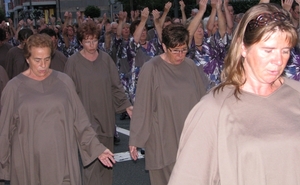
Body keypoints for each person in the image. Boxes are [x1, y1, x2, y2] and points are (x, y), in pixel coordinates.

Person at [168, 2, 299, 184]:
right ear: (243, 47)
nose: (278, 60)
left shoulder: (296, 93)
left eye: (285, 51)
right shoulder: (213, 109)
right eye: (268, 50)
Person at [0, 34, 115, 185]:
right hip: (28, 161)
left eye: (47, 59)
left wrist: (97, 148)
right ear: (27, 58)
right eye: (37, 60)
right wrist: (3, 165)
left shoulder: (64, 81)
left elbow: (80, 121)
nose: (43, 65)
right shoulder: (14, 88)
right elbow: (5, 131)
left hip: (63, 158)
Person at [129, 23, 207, 185]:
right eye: (175, 50)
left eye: (184, 49)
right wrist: (136, 139)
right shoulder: (151, 68)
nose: (180, 55)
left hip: (189, 139)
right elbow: (142, 106)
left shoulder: (190, 66)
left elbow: (203, 101)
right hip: (163, 140)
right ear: (164, 47)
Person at [64, 20, 132, 185]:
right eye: (87, 41)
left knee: (107, 164)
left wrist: (127, 105)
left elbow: (116, 86)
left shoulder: (106, 59)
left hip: (105, 117)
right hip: (85, 121)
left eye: (94, 40)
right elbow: (67, 93)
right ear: (80, 42)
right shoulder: (73, 62)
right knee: (92, 166)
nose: (92, 44)